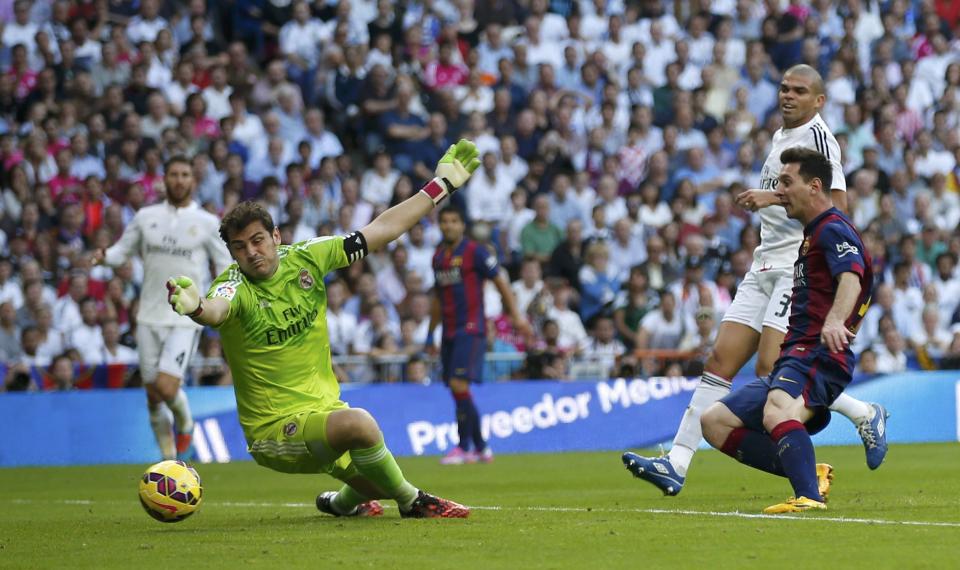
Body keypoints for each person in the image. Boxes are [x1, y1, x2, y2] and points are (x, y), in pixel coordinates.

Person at [165, 140, 483, 519]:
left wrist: (440, 186)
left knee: (373, 485)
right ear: (232, 254)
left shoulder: (307, 258)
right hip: (274, 431)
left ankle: (340, 503)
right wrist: (197, 307)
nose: (251, 252)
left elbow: (380, 230)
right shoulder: (234, 286)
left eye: (257, 240)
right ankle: (414, 502)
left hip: (324, 411)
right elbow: (217, 310)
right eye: (240, 247)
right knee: (362, 426)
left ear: (276, 236)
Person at [623, 64, 888, 495]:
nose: (788, 96)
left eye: (799, 91)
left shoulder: (819, 139)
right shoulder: (781, 137)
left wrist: (773, 196)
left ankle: (860, 415)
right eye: (784, 88)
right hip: (762, 263)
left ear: (818, 101)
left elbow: (833, 207)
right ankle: (676, 462)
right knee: (719, 362)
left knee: (772, 371)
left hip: (793, 266)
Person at [701, 147, 874, 513]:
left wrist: (834, 320)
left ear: (814, 187)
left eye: (786, 183)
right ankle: (811, 474)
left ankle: (808, 497)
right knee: (714, 422)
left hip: (817, 352)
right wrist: (767, 197)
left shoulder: (832, 229)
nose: (780, 190)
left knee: (778, 412)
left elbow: (852, 278)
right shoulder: (813, 232)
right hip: (793, 355)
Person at [93, 156, 232, 460]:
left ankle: (185, 423)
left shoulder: (207, 223)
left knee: (167, 387)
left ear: (193, 181)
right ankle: (168, 460)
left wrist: (215, 301)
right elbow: (122, 251)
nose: (179, 180)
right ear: (164, 179)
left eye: (185, 174)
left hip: (185, 317)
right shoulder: (145, 217)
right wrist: (104, 256)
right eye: (174, 174)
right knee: (153, 395)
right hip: (147, 316)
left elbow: (224, 266)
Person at [430, 205, 533, 465]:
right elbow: (437, 299)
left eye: (454, 221)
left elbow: (500, 281)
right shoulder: (438, 256)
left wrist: (516, 316)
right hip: (449, 331)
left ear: (462, 225)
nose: (449, 226)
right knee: (457, 390)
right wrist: (431, 332)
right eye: (445, 221)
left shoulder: (475, 252)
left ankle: (465, 447)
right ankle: (481, 447)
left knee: (458, 385)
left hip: (471, 328)